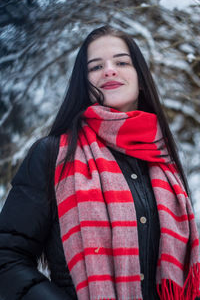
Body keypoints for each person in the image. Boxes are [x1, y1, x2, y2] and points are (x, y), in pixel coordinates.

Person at [0, 25, 199, 300]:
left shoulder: (163, 160)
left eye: (121, 62)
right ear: (85, 83)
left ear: (140, 78)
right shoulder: (52, 155)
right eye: (96, 67)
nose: (109, 70)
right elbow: (7, 258)